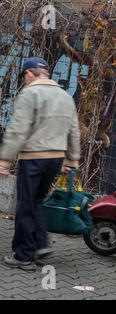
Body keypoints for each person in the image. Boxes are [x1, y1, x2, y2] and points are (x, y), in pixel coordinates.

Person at [0, 57, 80, 271]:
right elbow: (74, 130)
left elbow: (18, 130)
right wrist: (71, 160)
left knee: (25, 205)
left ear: (29, 73)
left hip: (33, 157)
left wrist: (4, 160)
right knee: (37, 201)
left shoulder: (30, 93)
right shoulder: (64, 96)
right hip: (54, 160)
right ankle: (40, 244)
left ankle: (24, 256)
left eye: (24, 76)